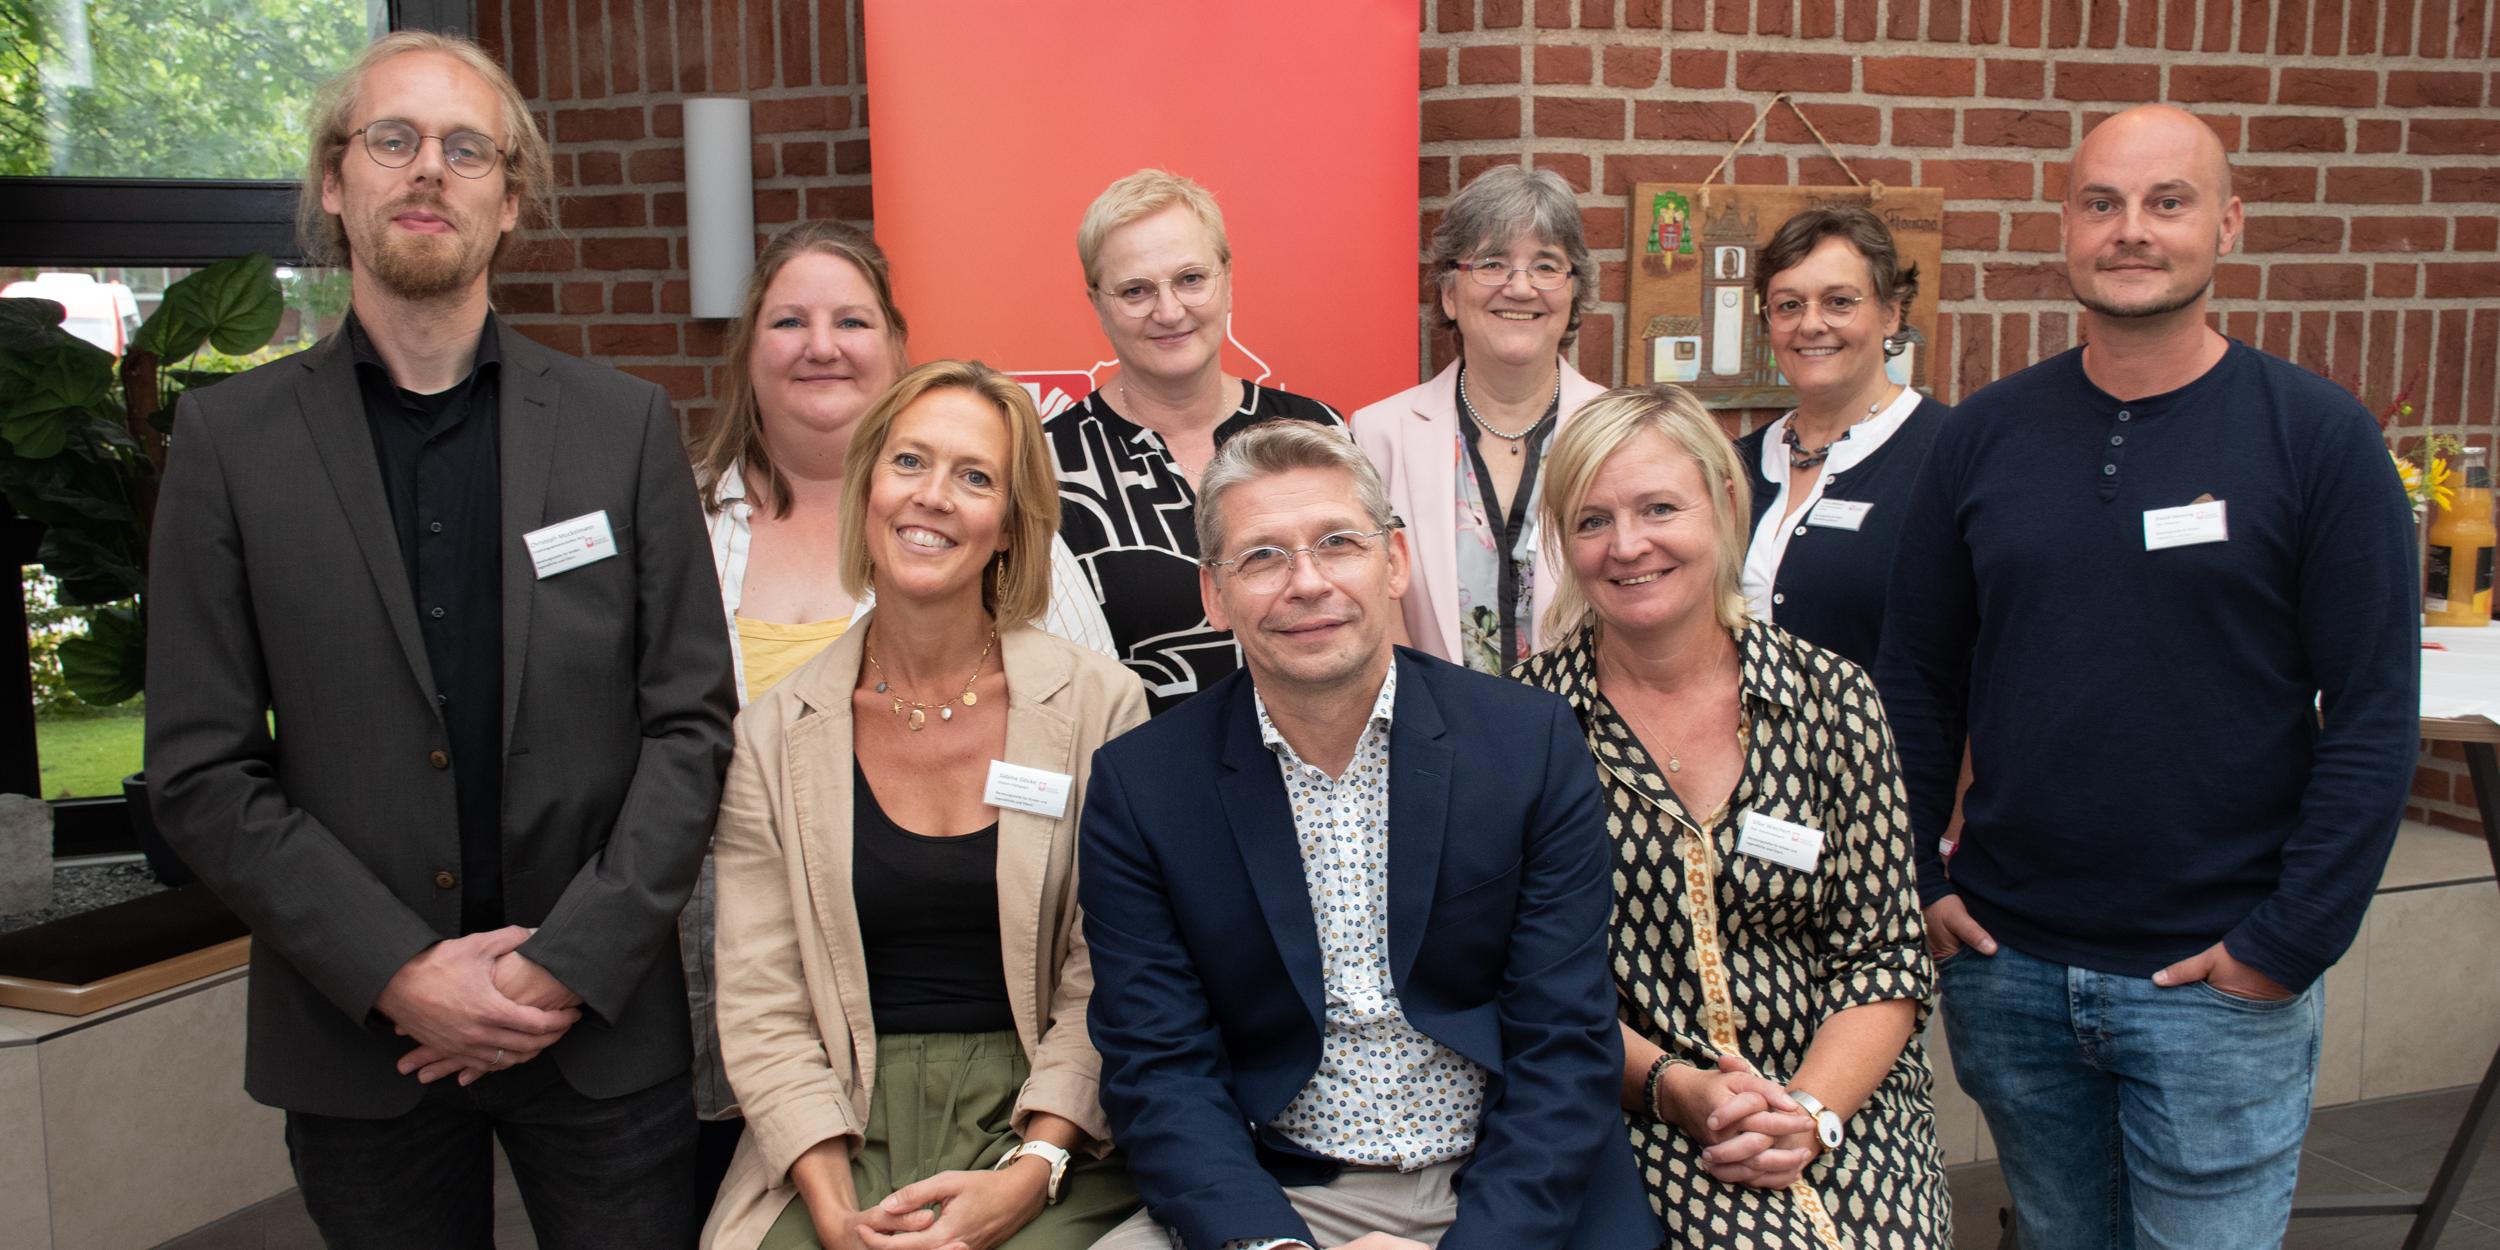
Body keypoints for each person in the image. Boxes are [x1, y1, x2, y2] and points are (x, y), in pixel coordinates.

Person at [143, 30, 735, 1247]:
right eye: (394, 140)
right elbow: (201, 766)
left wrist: (564, 962)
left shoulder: (621, 427)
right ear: (332, 180)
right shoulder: (229, 444)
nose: (430, 171)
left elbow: (688, 723)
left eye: (467, 149)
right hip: (363, 1039)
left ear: (509, 200)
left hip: (597, 1028)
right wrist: (397, 968)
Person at [1875, 104, 2420, 1249]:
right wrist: (1922, 878)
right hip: (2011, 967)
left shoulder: (2316, 438)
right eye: (2100, 203)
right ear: (2064, 228)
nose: (2131, 230)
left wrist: (2283, 948)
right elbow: (1917, 680)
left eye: (2166, 202)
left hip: (2215, 981)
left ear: (2225, 224)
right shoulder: (1982, 437)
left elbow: (2372, 713)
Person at [1080, 421, 1660, 1250]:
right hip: (1280, 1187)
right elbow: (1158, 1068)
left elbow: (1565, 1039)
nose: (1307, 583)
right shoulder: (1143, 787)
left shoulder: (1525, 743)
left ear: (1393, 562)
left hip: (1510, 1186)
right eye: (1263, 557)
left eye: (1337, 544)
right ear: (1214, 595)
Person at [682, 221, 1114, 1196]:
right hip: (795, 1029)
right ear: (749, 346)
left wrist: (1043, 1147)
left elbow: (1099, 796)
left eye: (851, 318)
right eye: (788, 319)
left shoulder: (1082, 690)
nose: (820, 342)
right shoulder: (684, 534)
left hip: (1032, 1057)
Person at [1512, 383, 1951, 1247]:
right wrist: (1679, 1088)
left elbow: (1887, 953)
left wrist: (1809, 1112)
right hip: (1635, 1113)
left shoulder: (1832, 697)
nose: (1627, 545)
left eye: (1658, 507)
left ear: (1723, 505)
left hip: (1842, 1106)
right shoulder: (1525, 728)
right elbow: (1527, 987)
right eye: (1592, 521)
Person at [1048, 168, 1343, 715]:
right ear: (1096, 304)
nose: (1168, 311)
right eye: (1135, 290)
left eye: (1190, 278)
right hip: (1136, 783)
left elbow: (1379, 621)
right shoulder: (1045, 467)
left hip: (1321, 772)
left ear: (1227, 279)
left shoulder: (1315, 431)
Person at [1352, 165, 1606, 674]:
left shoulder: (1619, 431)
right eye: (1492, 264)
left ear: (1573, 292)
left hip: (1593, 737)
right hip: (1439, 731)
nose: (1520, 287)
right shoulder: (1378, 436)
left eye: (1546, 266)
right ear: (1449, 292)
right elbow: (1374, 610)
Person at [1731, 204, 1948, 670]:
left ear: (1891, 313)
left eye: (1839, 302)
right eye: (1789, 305)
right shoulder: (1734, 464)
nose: (1811, 324)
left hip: (1885, 742)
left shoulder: (1948, 454)